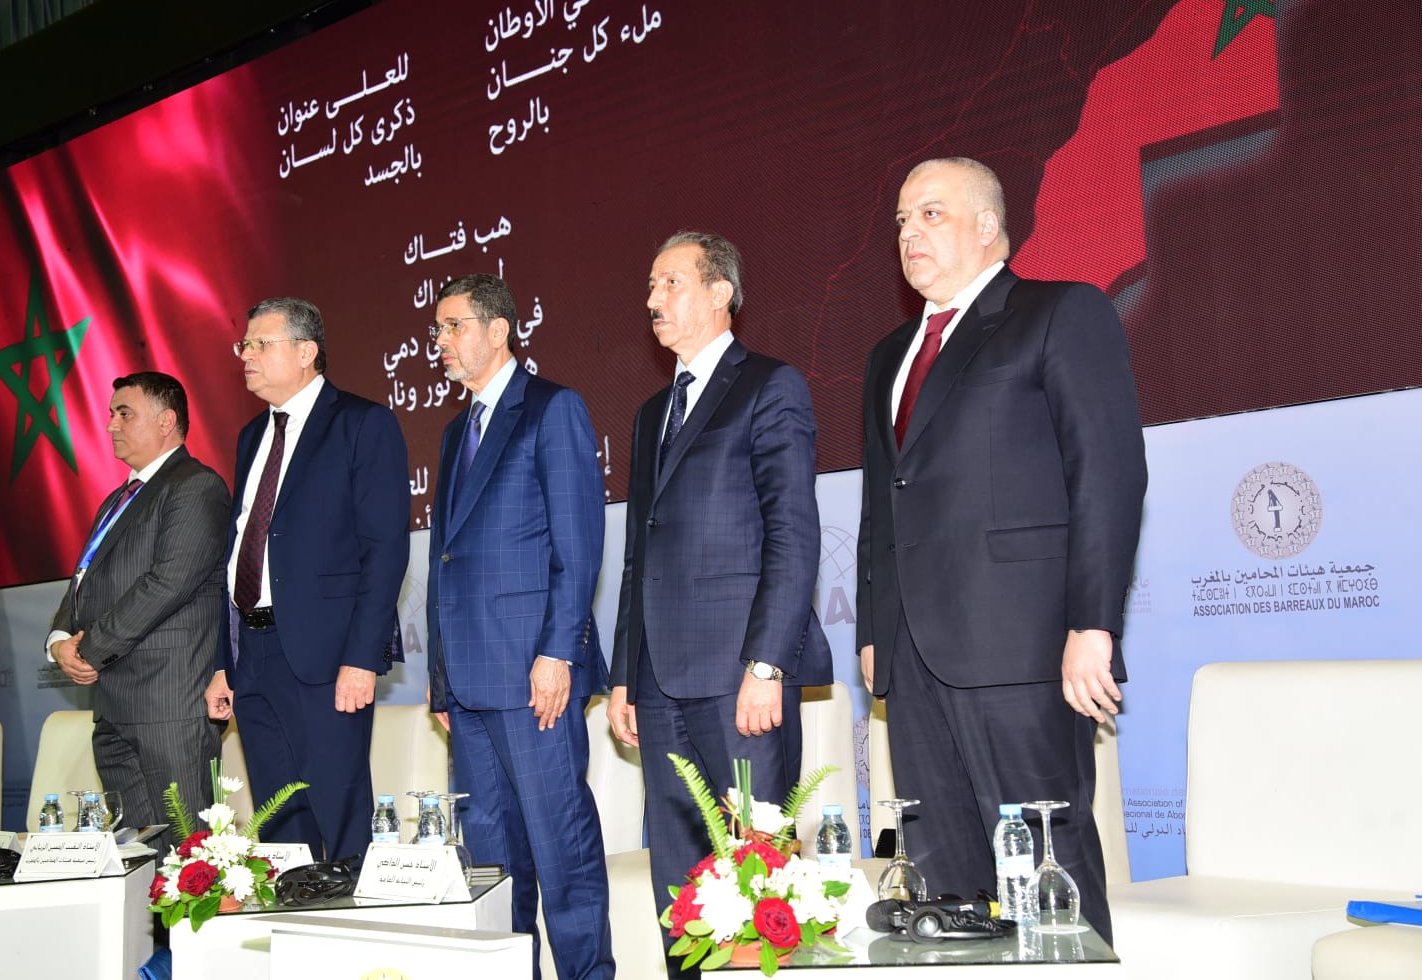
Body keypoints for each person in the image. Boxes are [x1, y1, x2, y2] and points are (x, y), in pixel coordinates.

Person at [858, 157, 1147, 941]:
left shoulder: (1058, 313)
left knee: (1049, 879)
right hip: (913, 660)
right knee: (944, 897)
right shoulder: (890, 355)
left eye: (931, 214)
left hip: (1022, 647)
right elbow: (883, 502)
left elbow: (1108, 473)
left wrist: (1093, 623)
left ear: (988, 226)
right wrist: (875, 631)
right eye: (902, 220)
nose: (909, 233)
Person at [607, 231, 832, 971]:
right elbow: (638, 556)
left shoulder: (769, 386)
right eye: (650, 285)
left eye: (669, 282)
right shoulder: (652, 413)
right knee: (681, 888)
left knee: (757, 885)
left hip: (740, 680)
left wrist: (767, 664)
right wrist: (625, 676)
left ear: (719, 293)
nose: (652, 299)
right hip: (660, 684)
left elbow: (792, 535)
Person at [426, 274, 613, 980]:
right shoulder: (456, 431)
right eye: (438, 329)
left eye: (454, 326)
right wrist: (440, 677)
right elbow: (444, 562)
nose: (440, 342)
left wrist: (558, 652)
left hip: (534, 674)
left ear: (499, 330)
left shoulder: (551, 409)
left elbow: (578, 548)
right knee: (492, 864)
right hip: (468, 683)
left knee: (562, 852)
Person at [204, 297, 409, 862]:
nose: (245, 355)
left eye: (260, 344)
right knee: (278, 821)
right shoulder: (252, 436)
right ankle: (294, 911)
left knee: (339, 813)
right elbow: (240, 548)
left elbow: (385, 551)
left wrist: (362, 658)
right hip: (253, 653)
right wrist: (224, 661)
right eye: (243, 344)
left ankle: (353, 916)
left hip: (328, 656)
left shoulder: (361, 423)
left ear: (305, 352)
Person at [48, 371, 229, 835]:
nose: (111, 424)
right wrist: (60, 640)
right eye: (111, 414)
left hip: (169, 702)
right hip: (114, 702)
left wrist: (89, 649)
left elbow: (168, 583)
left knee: (188, 853)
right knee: (136, 853)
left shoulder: (195, 485)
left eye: (124, 413)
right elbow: (85, 579)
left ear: (166, 421)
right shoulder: (117, 499)